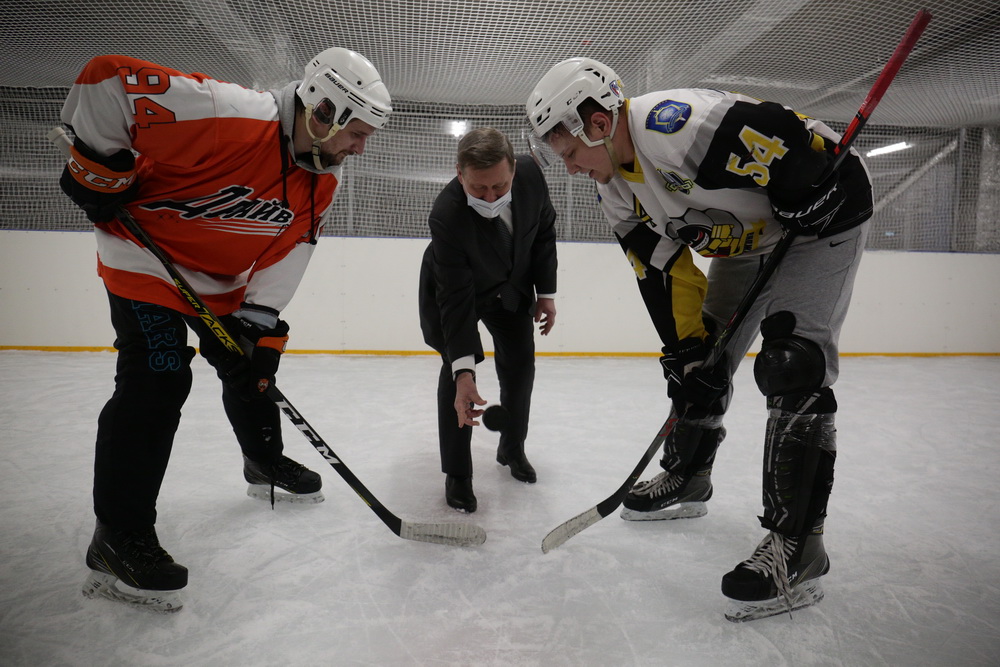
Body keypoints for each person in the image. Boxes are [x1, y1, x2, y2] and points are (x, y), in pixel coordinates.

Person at [526, 58, 872, 620]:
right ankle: (689, 475)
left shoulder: (680, 127)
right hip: (752, 240)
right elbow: (663, 274)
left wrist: (809, 187)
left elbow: (786, 133)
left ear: (595, 122)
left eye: (569, 154)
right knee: (698, 364)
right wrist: (685, 356)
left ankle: (799, 547)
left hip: (824, 220)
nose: (569, 169)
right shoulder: (615, 190)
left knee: (791, 365)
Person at [58, 48, 392, 611]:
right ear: (324, 112)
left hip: (221, 280)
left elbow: (293, 249)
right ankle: (117, 535)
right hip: (145, 261)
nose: (362, 147)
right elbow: (106, 78)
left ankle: (262, 458)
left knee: (252, 371)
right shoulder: (229, 113)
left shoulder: (322, 176)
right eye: (357, 133)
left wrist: (259, 325)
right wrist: (99, 166)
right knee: (156, 380)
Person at [418, 127, 558, 513]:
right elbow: (455, 298)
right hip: (458, 290)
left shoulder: (531, 176)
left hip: (511, 290)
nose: (491, 197)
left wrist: (545, 293)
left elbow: (543, 231)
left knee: (520, 370)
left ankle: (512, 448)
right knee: (457, 376)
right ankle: (458, 474)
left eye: (500, 186)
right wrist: (464, 371)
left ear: (514, 168)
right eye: (478, 189)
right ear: (459, 173)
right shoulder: (446, 215)